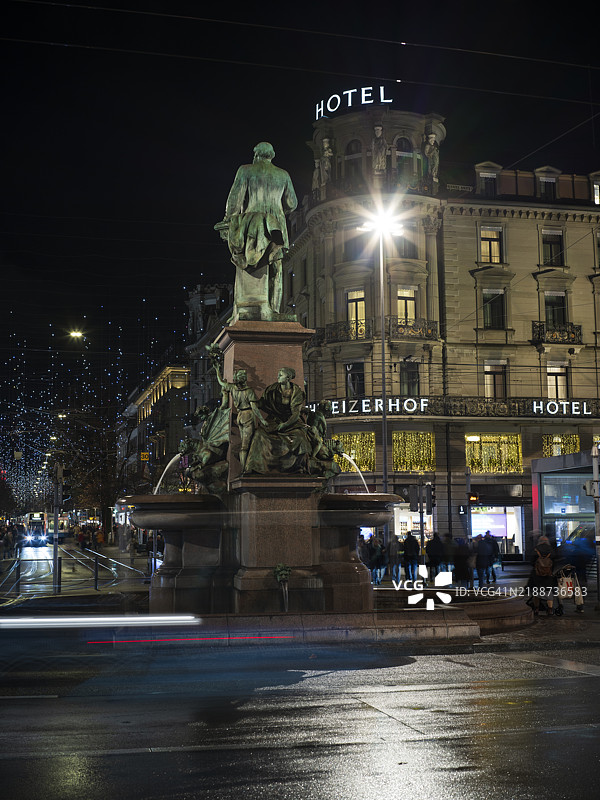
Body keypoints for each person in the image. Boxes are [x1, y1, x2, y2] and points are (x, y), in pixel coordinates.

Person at [215, 141, 297, 321]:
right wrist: (276, 207)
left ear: (256, 155)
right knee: (276, 266)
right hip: (276, 223)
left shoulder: (246, 170)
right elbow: (292, 203)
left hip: (253, 221)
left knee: (250, 262)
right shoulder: (283, 175)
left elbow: (234, 199)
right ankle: (274, 310)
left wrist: (230, 219)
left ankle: (247, 306)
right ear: (271, 155)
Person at [214, 364, 267, 472]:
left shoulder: (232, 388)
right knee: (245, 445)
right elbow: (255, 408)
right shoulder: (249, 391)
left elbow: (221, 382)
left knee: (244, 442)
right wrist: (262, 420)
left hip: (239, 416)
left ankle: (245, 468)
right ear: (244, 379)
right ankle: (245, 470)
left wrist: (217, 369)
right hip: (248, 415)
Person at [529, 535, 556, 616]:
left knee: (536, 592)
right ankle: (550, 609)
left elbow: (531, 561)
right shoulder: (551, 549)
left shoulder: (536, 549)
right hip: (548, 575)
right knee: (548, 592)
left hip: (537, 575)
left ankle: (536, 609)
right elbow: (555, 559)